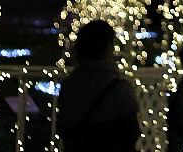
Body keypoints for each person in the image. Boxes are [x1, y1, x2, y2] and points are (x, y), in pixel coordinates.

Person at [56, 20, 141, 152]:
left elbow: (64, 128)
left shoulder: (70, 85)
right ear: (108, 47)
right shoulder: (121, 88)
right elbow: (131, 133)